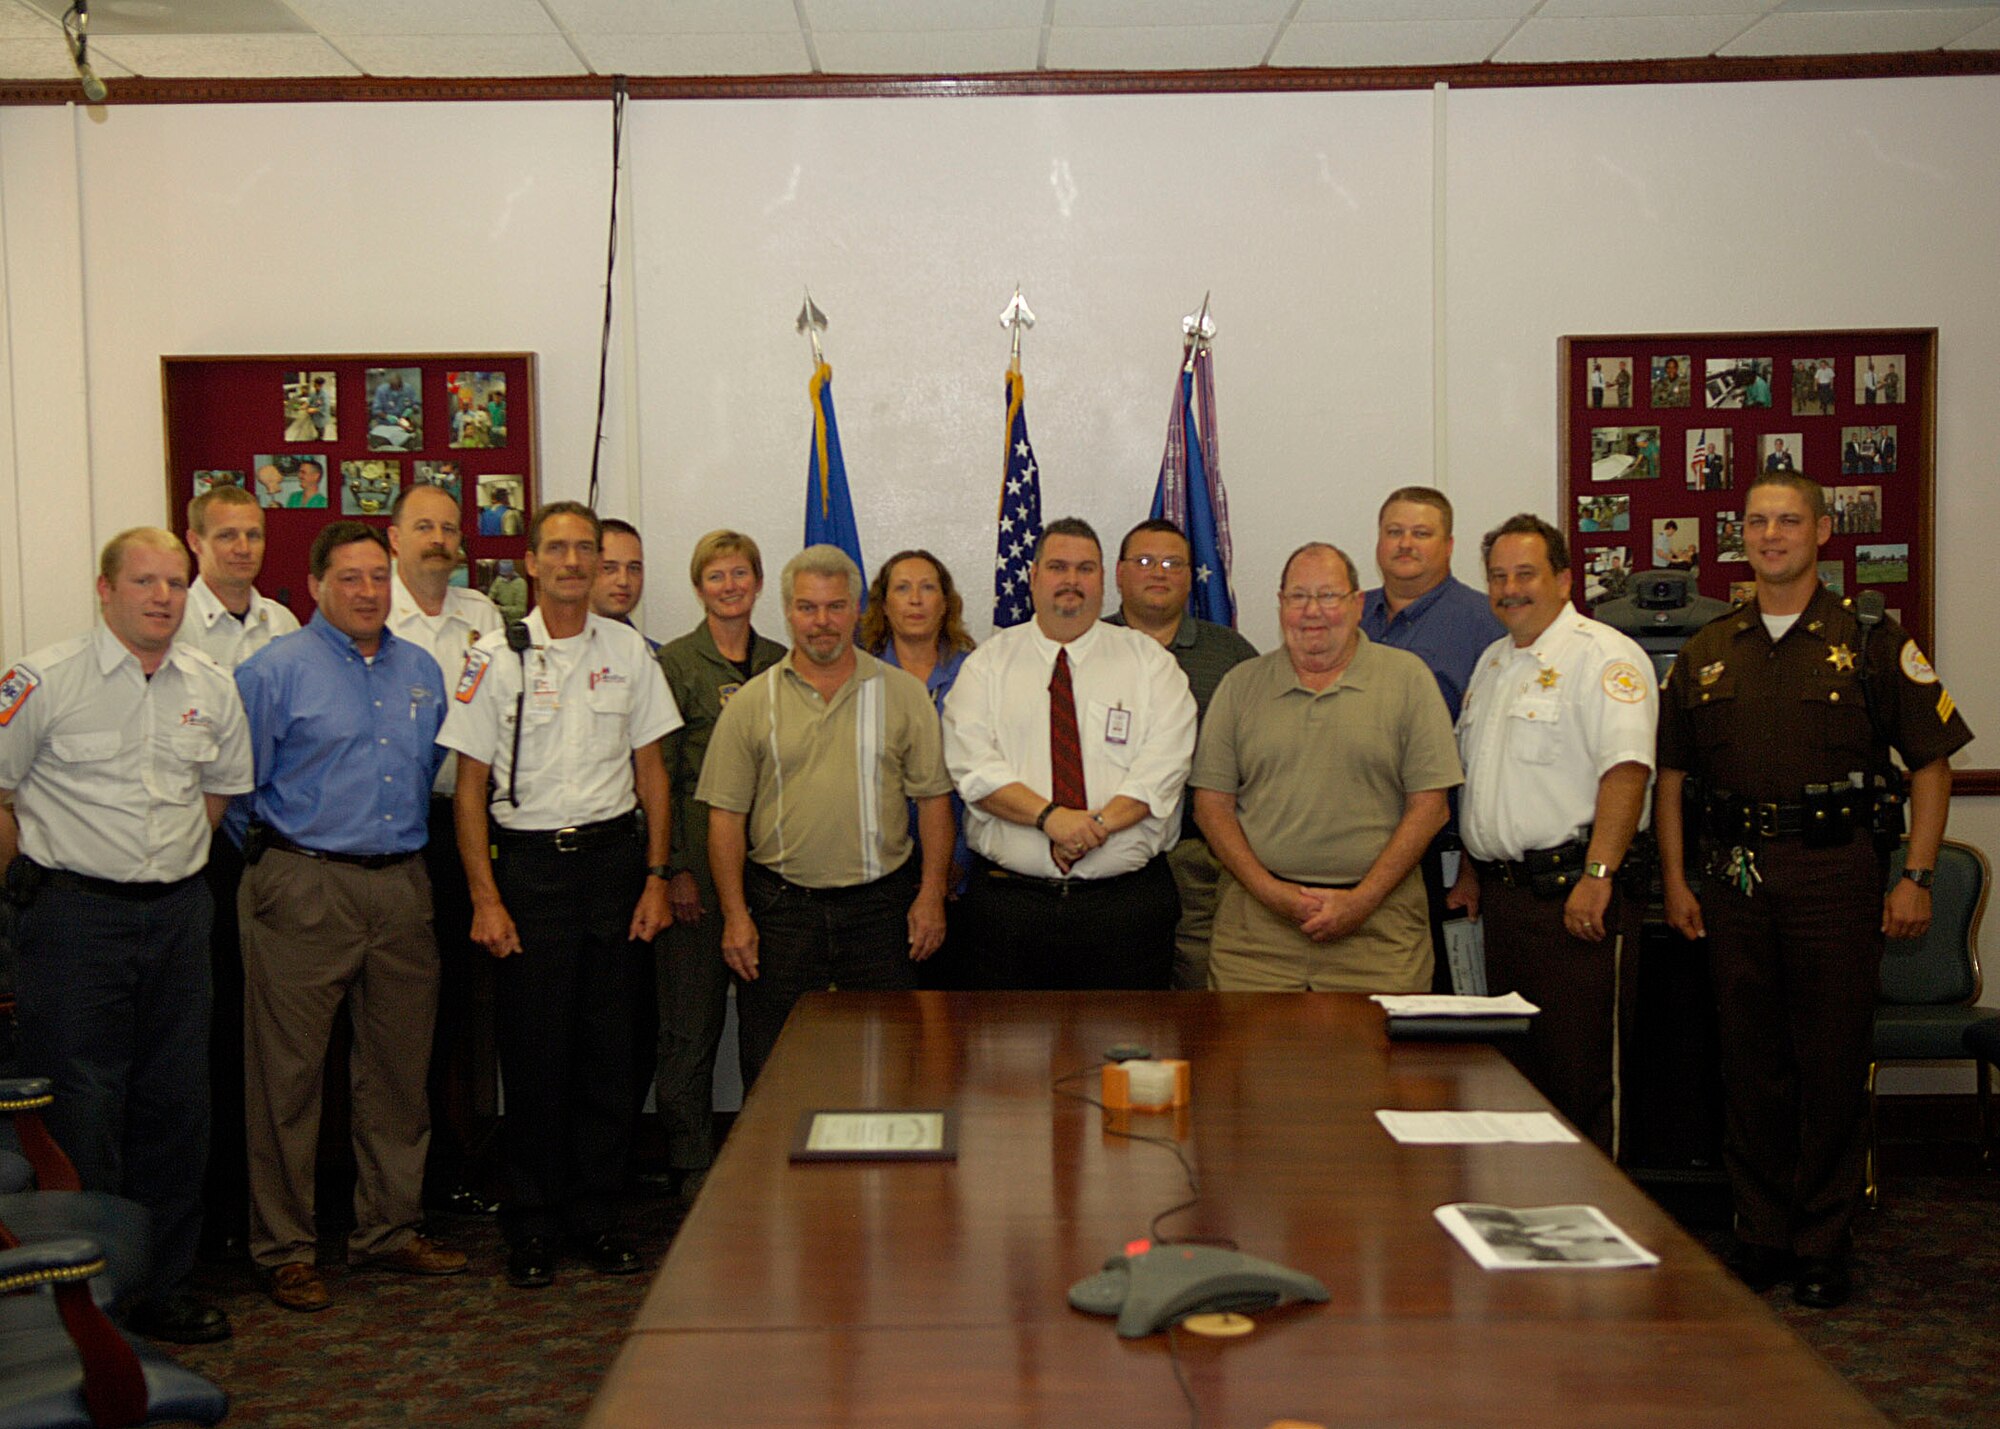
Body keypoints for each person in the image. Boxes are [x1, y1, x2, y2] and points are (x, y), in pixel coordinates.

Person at [1655, 472, 1973, 1310]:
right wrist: (1680, 876)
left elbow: (1932, 765)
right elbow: (1674, 774)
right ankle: (1761, 1231)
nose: (1771, 535)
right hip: (1735, 876)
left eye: (1788, 520)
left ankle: (1825, 1239)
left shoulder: (1869, 638)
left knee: (1830, 1061)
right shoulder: (1707, 645)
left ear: (1824, 530)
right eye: (1757, 521)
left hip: (1838, 874)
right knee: (1748, 1061)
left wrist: (1915, 874)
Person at [0, 528, 251, 1344]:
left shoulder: (211, 685)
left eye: (176, 583)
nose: (163, 598)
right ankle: (87, 1299)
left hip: (178, 914)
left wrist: (163, 872)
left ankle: (165, 1287)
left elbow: (216, 797)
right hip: (74, 918)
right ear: (104, 589)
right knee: (81, 1109)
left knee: (177, 1105)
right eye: (145, 581)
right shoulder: (41, 680)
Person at [439, 501, 681, 1290]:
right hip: (532, 872)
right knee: (536, 1055)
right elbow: (469, 789)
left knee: (609, 1055)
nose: (576, 562)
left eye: (590, 550)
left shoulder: (629, 652)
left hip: (614, 867)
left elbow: (653, 772)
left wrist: (653, 875)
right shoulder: (492, 656)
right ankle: (533, 1224)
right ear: (531, 564)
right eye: (561, 550)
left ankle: (599, 1216)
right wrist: (485, 897)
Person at [233, 522, 467, 1313]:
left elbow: (432, 768)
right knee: (287, 1078)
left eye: (377, 576)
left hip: (401, 885)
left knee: (400, 1072)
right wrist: (285, 867)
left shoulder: (422, 670)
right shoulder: (272, 671)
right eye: (350, 578)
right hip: (304, 883)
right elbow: (236, 790)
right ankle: (286, 1248)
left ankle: (389, 1229)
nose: (367, 591)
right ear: (317, 586)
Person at [700, 545, 953, 1088]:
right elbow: (725, 818)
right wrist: (735, 916)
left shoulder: (904, 695)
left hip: (881, 912)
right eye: (808, 608)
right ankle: (771, 1174)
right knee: (775, 1070)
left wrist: (930, 896)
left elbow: (934, 802)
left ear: (858, 610)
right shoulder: (750, 703)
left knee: (893, 1067)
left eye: (836, 607)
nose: (822, 622)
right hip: (780, 912)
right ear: (788, 611)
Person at [1449, 514, 1656, 1155]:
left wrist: (1599, 876)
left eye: (1526, 574)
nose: (1510, 588)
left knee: (1582, 1078)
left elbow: (1626, 774)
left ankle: (1602, 1234)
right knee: (1520, 1078)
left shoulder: (1604, 656)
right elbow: (1493, 785)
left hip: (1575, 902)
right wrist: (1474, 873)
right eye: (1498, 576)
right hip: (1507, 906)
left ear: (1564, 579)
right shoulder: (1493, 661)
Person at [1191, 543, 1460, 993]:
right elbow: (1210, 806)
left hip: (1379, 935)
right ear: (1281, 606)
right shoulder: (1241, 685)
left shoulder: (1408, 679)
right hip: (1256, 939)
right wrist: (1272, 894)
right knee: (1252, 1062)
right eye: (1298, 597)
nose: (1312, 612)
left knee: (1375, 1063)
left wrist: (1362, 901)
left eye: (1328, 597)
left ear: (1357, 604)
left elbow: (1431, 808)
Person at [942, 517, 1196, 990]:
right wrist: (1050, 819)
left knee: (1128, 1053)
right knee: (1008, 1059)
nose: (1072, 581)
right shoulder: (987, 666)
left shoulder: (1151, 665)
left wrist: (1094, 826)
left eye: (1085, 569)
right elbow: (973, 769)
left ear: (1105, 579)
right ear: (1034, 576)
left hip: (1125, 911)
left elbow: (1163, 768)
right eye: (1058, 567)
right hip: (1010, 910)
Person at [178, 484, 301, 1263]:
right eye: (226, 535)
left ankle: (259, 1206)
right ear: (195, 541)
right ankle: (211, 1211)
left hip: (270, 846)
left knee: (265, 1033)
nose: (242, 548)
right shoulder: (170, 622)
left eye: (253, 534)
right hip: (195, 852)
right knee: (208, 1035)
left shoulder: (282, 625)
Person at [652, 531, 786, 1208]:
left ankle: (760, 1153)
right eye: (715, 574)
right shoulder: (677, 662)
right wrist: (673, 868)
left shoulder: (781, 663)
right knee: (690, 1020)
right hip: (696, 869)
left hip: (767, 866)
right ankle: (690, 1161)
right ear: (698, 586)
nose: (730, 585)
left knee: (767, 1024)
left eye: (741, 573)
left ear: (758, 583)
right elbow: (664, 774)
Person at [386, 483, 505, 1218]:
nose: (438, 538)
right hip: (397, 832)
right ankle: (414, 1176)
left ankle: (465, 1160)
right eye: (422, 526)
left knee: (468, 1009)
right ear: (393, 536)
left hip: (469, 825)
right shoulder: (373, 616)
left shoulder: (484, 617)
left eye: (448, 528)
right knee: (408, 1011)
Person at [1360, 487, 1505, 992]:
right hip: (1353, 848)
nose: (1405, 544)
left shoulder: (1487, 623)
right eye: (1394, 532)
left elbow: (1493, 756)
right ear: (1378, 542)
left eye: (1421, 533)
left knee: (1441, 1012)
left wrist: (1471, 865)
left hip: (1439, 855)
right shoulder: (1349, 616)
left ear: (1448, 545)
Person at [1105, 519, 1256, 991]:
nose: (1159, 573)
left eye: (1173, 563)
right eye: (1145, 562)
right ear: (1119, 573)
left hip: (1200, 854)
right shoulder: (1087, 647)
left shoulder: (1230, 654)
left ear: (1192, 576)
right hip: (1108, 854)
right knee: (1119, 996)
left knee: (1201, 990)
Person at [861, 548, 979, 987]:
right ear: (883, 603)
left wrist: (954, 861)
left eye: (927, 588)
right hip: (881, 874)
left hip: (965, 872)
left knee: (954, 1018)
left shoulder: (976, 672)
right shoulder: (860, 674)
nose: (915, 600)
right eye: (903, 589)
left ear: (945, 601)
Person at [593, 518, 656, 653]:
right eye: (609, 568)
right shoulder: (554, 653)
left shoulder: (656, 659)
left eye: (633, 568)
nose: (623, 581)